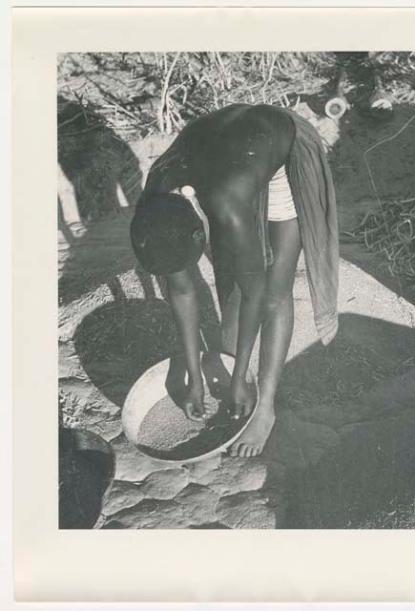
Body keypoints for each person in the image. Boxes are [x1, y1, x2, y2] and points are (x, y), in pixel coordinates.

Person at [131, 103, 339, 457]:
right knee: (237, 282)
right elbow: (181, 290)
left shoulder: (227, 205)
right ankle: (235, 373)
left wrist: (241, 378)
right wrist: (194, 374)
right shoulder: (155, 201)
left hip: (278, 145)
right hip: (230, 152)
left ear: (201, 235)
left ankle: (266, 409)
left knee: (275, 288)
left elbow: (256, 295)